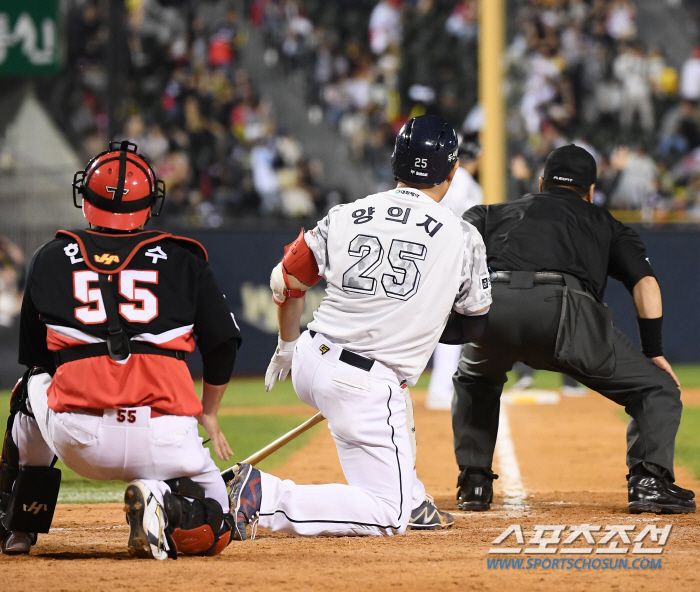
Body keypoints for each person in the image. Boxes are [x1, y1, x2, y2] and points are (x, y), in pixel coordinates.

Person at [228, 115, 492, 539]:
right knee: (389, 514)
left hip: (310, 359)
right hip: (363, 384)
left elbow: (285, 279)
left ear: (395, 165)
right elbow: (475, 327)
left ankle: (415, 496)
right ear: (452, 169)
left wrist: (286, 343)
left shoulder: (348, 212)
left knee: (393, 400)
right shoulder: (463, 236)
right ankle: (265, 497)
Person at [0, 141, 242, 558]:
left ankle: (17, 523)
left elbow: (39, 358)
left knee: (30, 386)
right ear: (151, 204)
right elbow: (223, 344)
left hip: (81, 441)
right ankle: (164, 504)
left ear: (85, 200)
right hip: (167, 439)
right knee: (218, 525)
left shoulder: (49, 257)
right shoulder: (185, 259)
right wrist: (210, 411)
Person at [453, 144, 695, 515]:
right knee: (657, 389)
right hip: (565, 312)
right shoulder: (608, 223)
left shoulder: (489, 213)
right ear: (591, 191)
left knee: (475, 378)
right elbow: (646, 283)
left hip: (493, 309)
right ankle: (648, 482)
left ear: (541, 182)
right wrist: (654, 351)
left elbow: (452, 262)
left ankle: (474, 482)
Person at [427, 133, 484, 410]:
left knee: (447, 323)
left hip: (439, 254)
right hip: (453, 256)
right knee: (453, 325)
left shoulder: (446, 181)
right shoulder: (466, 184)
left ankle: (441, 387)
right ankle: (441, 389)